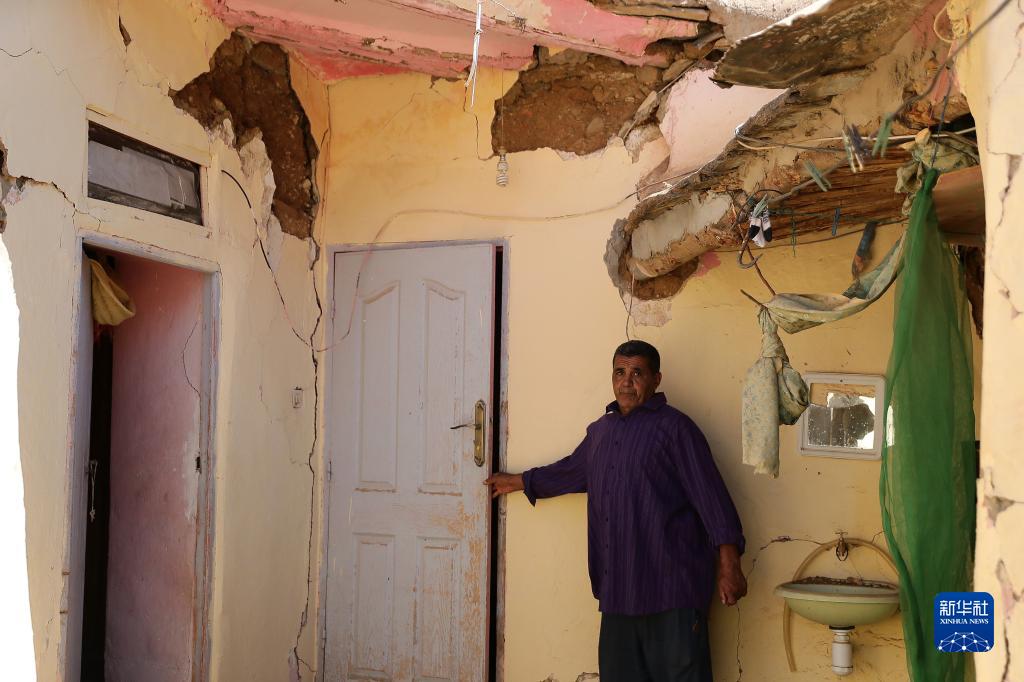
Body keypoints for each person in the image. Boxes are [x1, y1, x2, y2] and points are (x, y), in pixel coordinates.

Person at [485, 340, 747, 682]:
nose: (627, 382)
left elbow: (712, 499)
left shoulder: (677, 429)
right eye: (620, 372)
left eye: (637, 373)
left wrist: (730, 566)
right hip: (618, 591)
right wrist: (520, 481)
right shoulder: (601, 432)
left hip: (672, 592)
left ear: (656, 379)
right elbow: (571, 471)